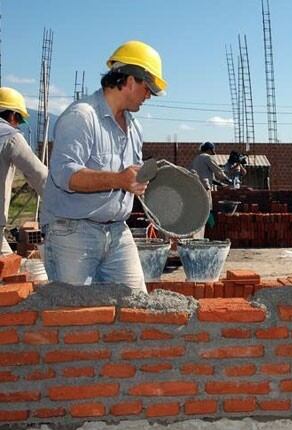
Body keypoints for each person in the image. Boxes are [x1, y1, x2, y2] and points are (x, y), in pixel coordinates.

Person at [41, 40, 168, 291]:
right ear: (130, 80)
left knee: (136, 306)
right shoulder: (82, 117)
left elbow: (132, 179)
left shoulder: (134, 128)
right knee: (75, 317)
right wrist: (118, 180)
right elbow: (65, 176)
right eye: (148, 88)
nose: (149, 96)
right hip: (73, 233)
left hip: (118, 232)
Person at [0, 87, 47, 254]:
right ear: (13, 115)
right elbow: (39, 175)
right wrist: (61, 204)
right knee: (9, 273)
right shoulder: (9, 136)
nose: (18, 124)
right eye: (19, 119)